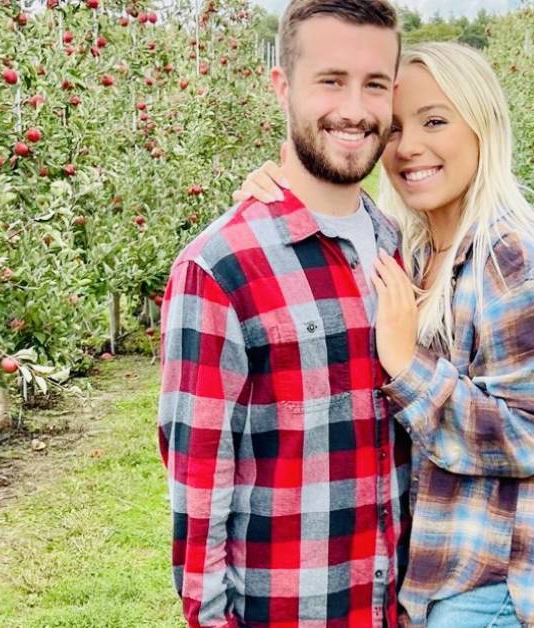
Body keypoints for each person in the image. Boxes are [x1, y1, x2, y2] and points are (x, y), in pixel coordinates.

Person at [233, 42, 534, 628]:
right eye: (396, 129)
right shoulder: (416, 250)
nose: (408, 148)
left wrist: (407, 366)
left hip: (496, 586)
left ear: (483, 126)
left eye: (435, 121)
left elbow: (524, 436)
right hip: (443, 573)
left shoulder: (511, 261)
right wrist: (284, 198)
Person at [155, 1, 411, 626]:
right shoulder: (221, 269)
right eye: (330, 80)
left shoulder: (399, 249)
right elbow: (200, 488)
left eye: (374, 84)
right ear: (282, 86)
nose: (354, 108)